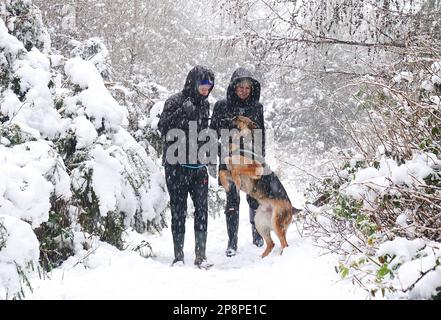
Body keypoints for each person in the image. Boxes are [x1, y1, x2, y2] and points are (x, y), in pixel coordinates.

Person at [158, 65, 215, 268]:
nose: (206, 88)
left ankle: (201, 256)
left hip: (198, 167)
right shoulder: (174, 101)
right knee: (179, 210)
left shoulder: (205, 104)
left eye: (209, 85)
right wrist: (182, 112)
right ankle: (178, 256)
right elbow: (163, 128)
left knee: (202, 210)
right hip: (176, 166)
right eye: (203, 83)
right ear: (193, 82)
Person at [210, 67, 265, 257]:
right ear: (234, 87)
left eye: (247, 88)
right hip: (228, 162)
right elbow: (212, 134)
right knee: (232, 200)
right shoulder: (221, 106)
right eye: (240, 87)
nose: (244, 91)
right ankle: (232, 242)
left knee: (254, 199)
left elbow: (260, 136)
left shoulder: (257, 108)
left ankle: (257, 236)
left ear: (252, 89)